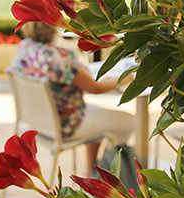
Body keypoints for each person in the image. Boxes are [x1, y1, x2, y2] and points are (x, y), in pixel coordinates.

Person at [9, 22, 135, 174]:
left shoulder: (25, 47)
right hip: (67, 124)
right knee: (127, 122)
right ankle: (109, 176)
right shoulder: (62, 56)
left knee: (100, 118)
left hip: (39, 123)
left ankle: (91, 173)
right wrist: (128, 77)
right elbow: (96, 88)